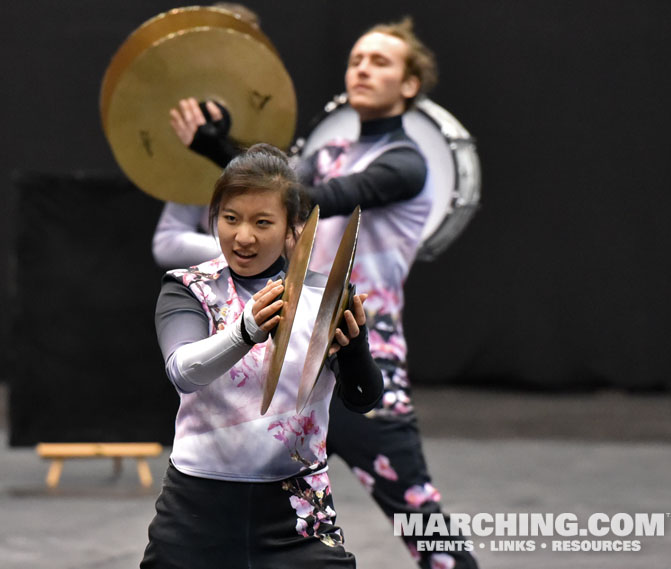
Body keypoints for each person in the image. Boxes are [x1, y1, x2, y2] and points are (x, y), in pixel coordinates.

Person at [155, 16, 480, 569]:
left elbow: (305, 196)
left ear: (410, 85)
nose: (362, 68)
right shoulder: (327, 154)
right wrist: (223, 147)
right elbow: (272, 192)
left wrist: (219, 150)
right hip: (280, 353)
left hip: (350, 351)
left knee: (422, 523)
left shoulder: (405, 162)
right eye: (356, 59)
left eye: (380, 62)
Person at [142, 144, 384, 569]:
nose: (243, 236)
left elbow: (363, 398)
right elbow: (184, 372)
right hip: (197, 510)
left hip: (298, 509)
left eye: (262, 222)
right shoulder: (190, 287)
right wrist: (244, 331)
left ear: (294, 230)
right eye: (230, 218)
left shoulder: (324, 297)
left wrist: (356, 346)